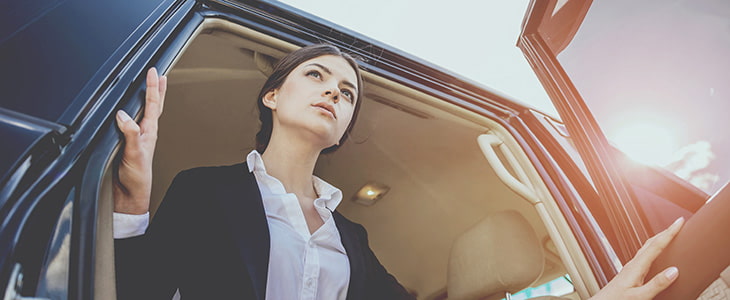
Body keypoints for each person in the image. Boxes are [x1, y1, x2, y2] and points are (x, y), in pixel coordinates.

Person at [113, 44, 684, 300]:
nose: (333, 93)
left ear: (343, 128)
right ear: (271, 96)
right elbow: (135, 294)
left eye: (346, 93)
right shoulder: (204, 190)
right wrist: (133, 203)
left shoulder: (351, 239)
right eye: (315, 76)